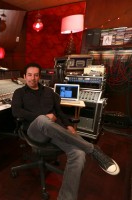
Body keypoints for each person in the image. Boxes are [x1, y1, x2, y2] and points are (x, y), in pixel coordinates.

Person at [11, 63, 120, 200]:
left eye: (36, 75)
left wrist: (68, 125)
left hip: (54, 130)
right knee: (42, 120)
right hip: (35, 131)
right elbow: (16, 111)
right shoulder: (19, 93)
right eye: (30, 75)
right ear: (24, 76)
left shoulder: (49, 92)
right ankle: (93, 149)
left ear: (39, 76)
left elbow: (60, 113)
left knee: (78, 154)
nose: (32, 78)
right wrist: (44, 117)